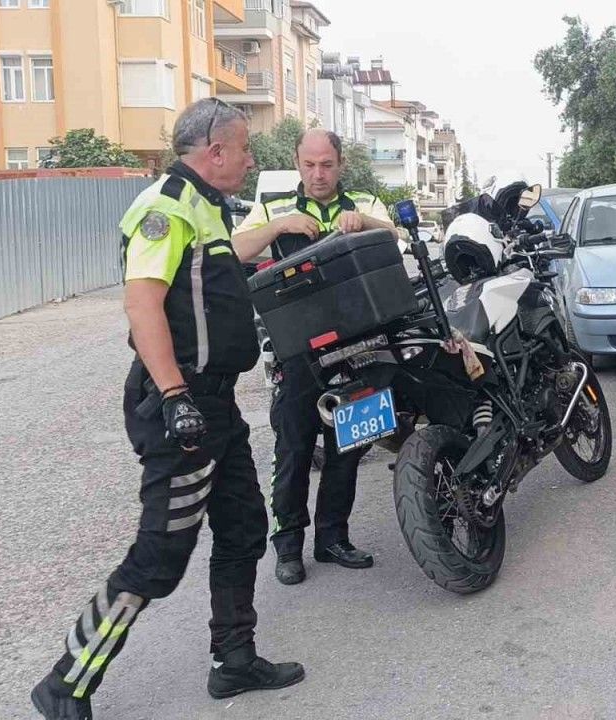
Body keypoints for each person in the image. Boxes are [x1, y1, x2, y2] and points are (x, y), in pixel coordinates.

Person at [30, 99, 305, 719]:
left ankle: (234, 660)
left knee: (244, 528)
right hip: (182, 405)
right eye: (244, 148)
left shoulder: (207, 207)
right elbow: (143, 303)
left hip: (216, 404)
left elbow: (221, 263)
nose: (250, 159)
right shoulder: (166, 207)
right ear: (215, 150)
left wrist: (280, 227)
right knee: (160, 556)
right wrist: (177, 396)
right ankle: (66, 682)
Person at [233, 128, 395, 586]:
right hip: (298, 352)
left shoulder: (364, 200)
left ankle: (333, 539)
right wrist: (278, 227)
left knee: (349, 448)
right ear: (297, 163)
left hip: (360, 348)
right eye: (309, 165)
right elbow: (232, 249)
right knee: (294, 449)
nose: (318, 174)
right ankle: (288, 547)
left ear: (341, 164)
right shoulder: (273, 207)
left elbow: (397, 237)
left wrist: (365, 222)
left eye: (326, 164)